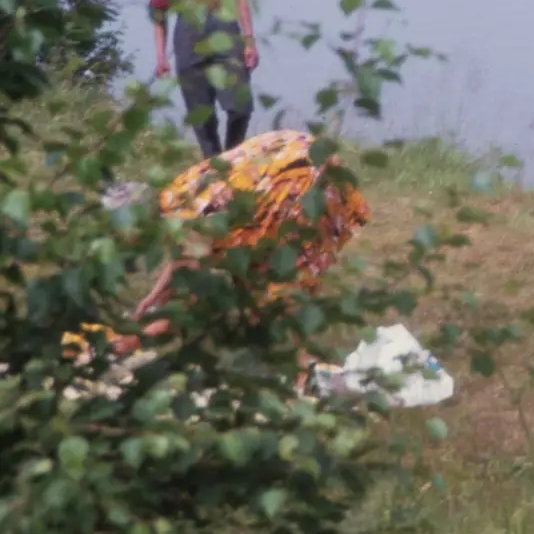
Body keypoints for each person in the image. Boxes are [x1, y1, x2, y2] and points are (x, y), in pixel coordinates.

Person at [62, 130, 371, 388]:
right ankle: (299, 367)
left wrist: (135, 336)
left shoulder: (191, 220)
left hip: (303, 179)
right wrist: (152, 300)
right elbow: (185, 264)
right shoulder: (173, 199)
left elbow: (188, 296)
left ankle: (308, 374)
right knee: (256, 273)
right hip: (291, 157)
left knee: (276, 281)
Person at [151, 0, 259, 158]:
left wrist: (249, 40)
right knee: (202, 116)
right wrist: (161, 56)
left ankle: (233, 157)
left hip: (223, 28)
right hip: (188, 36)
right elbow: (159, 14)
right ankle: (215, 170)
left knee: (240, 106)